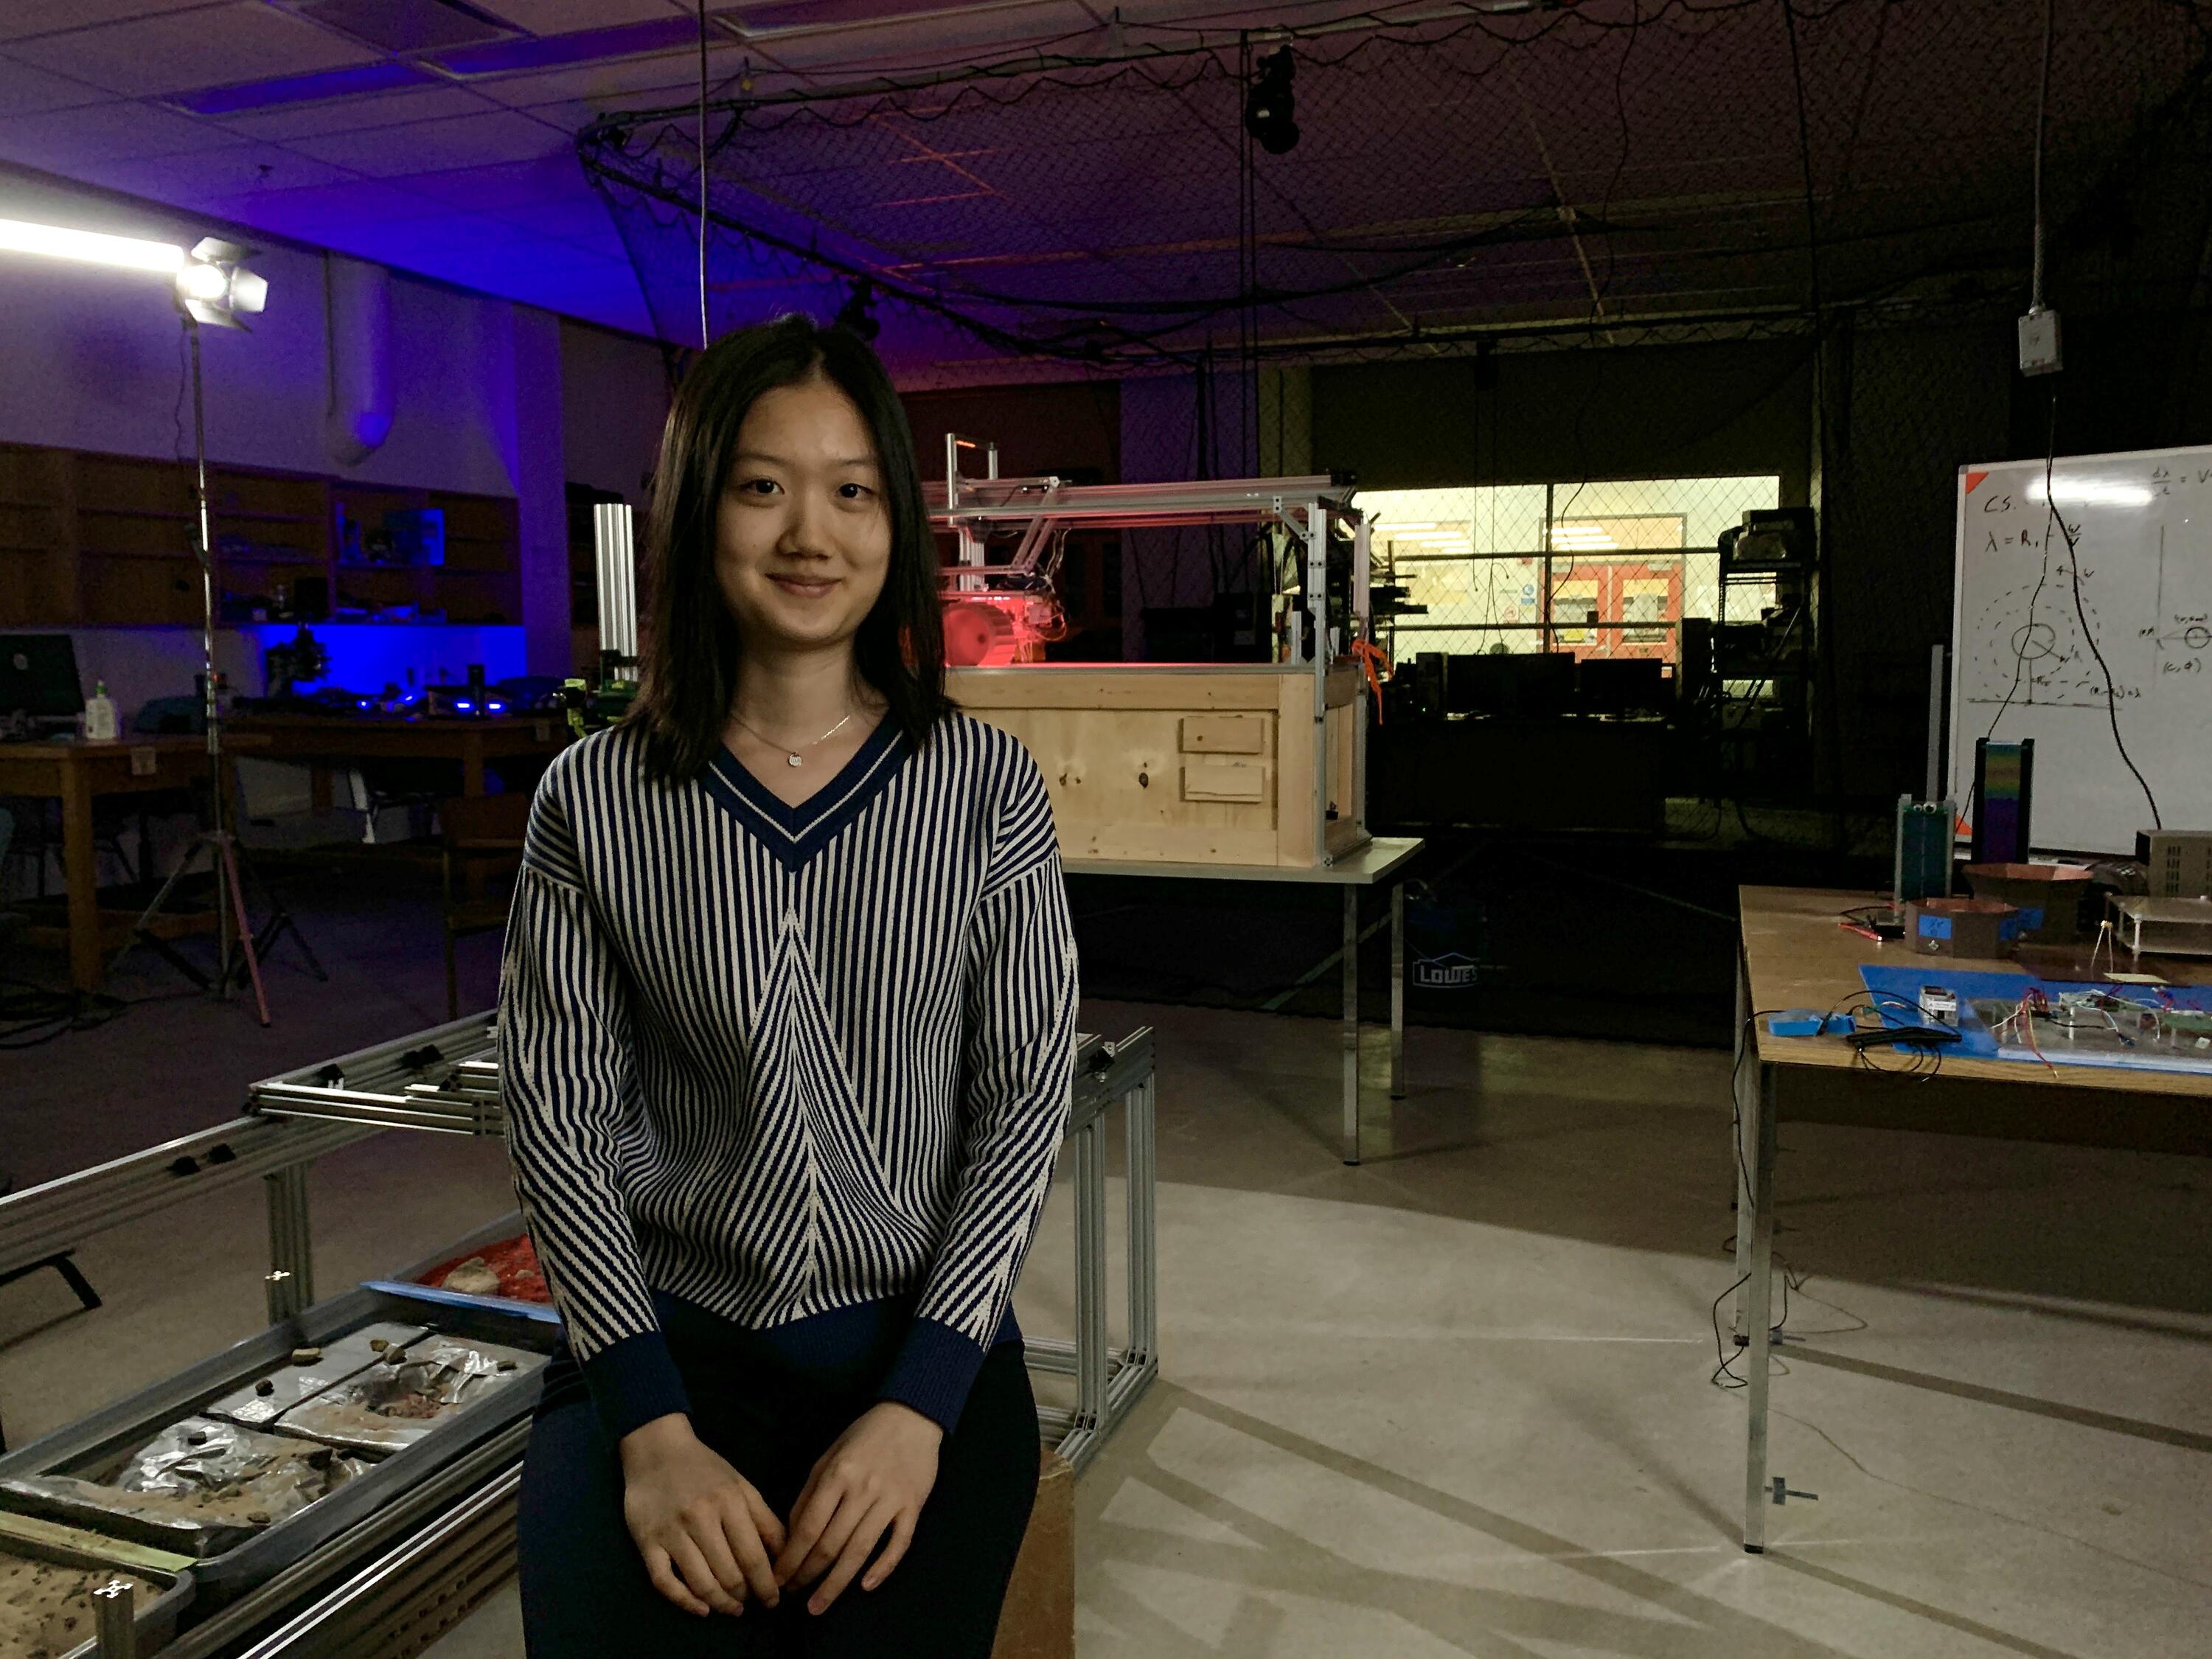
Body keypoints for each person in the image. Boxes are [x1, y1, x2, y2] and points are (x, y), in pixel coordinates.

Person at [501, 313, 1077, 1657]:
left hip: (916, 1348)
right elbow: (562, 1119)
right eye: (764, 486)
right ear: (700, 511)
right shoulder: (592, 799)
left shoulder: (985, 790)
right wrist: (648, 1431)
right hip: (657, 1348)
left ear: (895, 523)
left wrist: (921, 1404)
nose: (810, 533)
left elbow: (1023, 1102)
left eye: (853, 490)